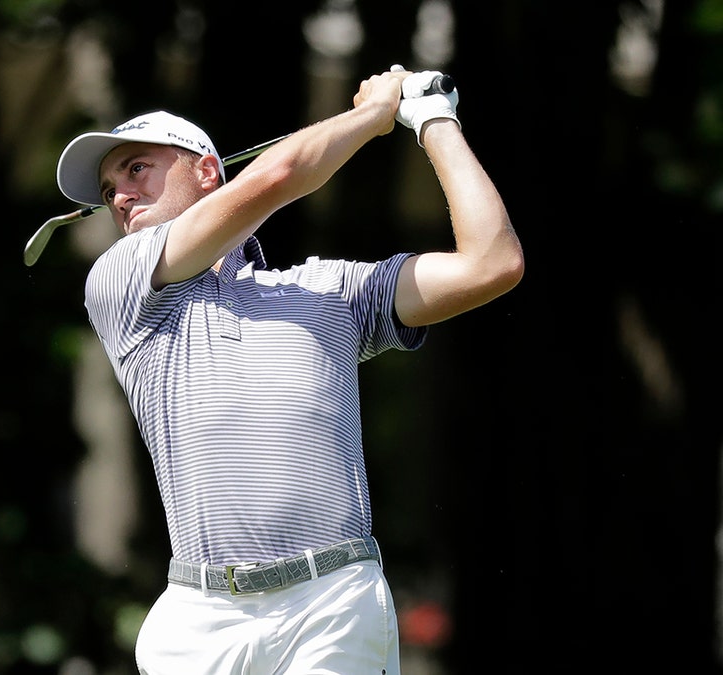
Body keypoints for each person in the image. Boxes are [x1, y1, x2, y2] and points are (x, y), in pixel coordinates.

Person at [53, 68, 523, 675]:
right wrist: (374, 115)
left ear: (206, 171)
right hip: (198, 617)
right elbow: (277, 177)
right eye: (109, 186)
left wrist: (432, 117)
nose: (119, 194)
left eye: (137, 168)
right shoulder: (122, 282)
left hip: (332, 600)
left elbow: (492, 263)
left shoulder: (330, 290)